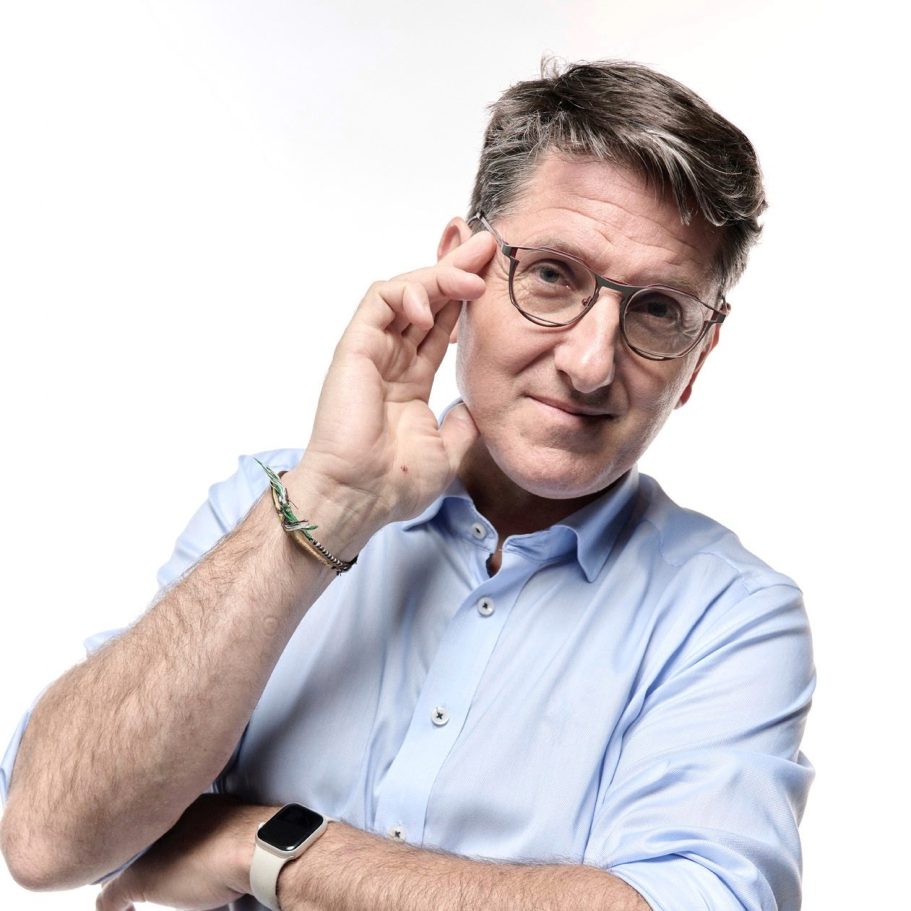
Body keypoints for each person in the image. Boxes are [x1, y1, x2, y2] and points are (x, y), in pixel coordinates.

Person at [0, 60, 814, 911]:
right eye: (551, 274)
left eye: (656, 310)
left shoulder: (728, 614)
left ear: (697, 358)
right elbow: (47, 838)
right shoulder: (269, 502)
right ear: (460, 271)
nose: (588, 362)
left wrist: (266, 844)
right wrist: (326, 507)